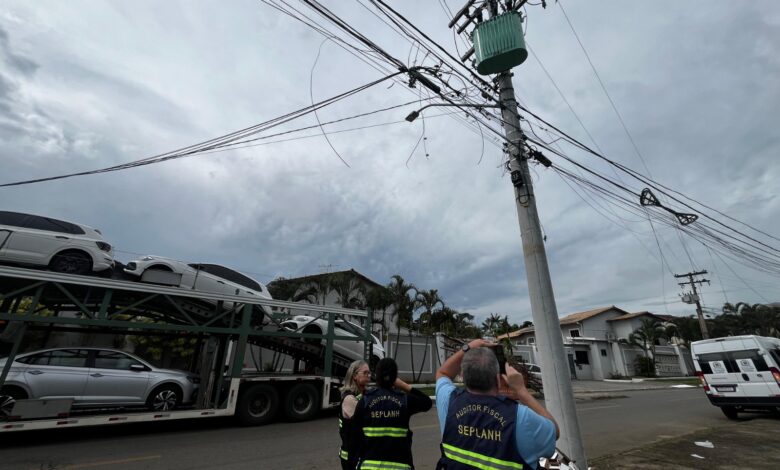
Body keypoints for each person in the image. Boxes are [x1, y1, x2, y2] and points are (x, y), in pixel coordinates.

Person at [435, 339, 559, 470]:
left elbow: (443, 373)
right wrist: (522, 392)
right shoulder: (521, 417)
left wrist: (469, 346)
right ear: (498, 381)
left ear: (463, 377)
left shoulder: (449, 402)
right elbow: (554, 432)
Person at [353, 357, 433, 469]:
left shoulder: (365, 401)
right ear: (395, 377)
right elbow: (427, 402)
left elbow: (355, 437)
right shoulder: (404, 400)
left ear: (377, 375)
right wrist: (403, 385)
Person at [339, 360, 371, 470]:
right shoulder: (349, 398)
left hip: (361, 453)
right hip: (351, 456)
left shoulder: (365, 394)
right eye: (365, 373)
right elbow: (366, 420)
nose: (369, 375)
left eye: (369, 373)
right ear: (354, 376)